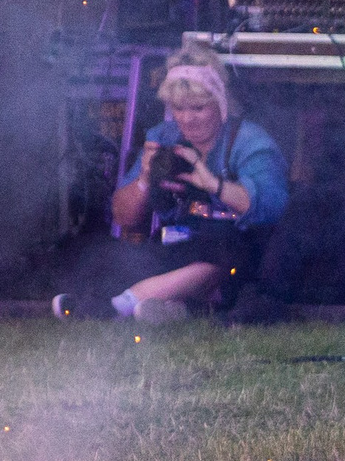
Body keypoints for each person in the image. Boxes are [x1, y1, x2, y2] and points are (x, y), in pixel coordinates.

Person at [52, 63, 285, 323]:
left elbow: (274, 210)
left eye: (198, 108)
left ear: (222, 104)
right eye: (179, 109)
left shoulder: (250, 142)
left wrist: (213, 184)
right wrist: (144, 179)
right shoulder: (165, 137)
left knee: (223, 253)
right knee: (111, 254)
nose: (187, 118)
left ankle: (115, 306)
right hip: (182, 245)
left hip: (237, 254)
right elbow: (123, 217)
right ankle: (176, 308)